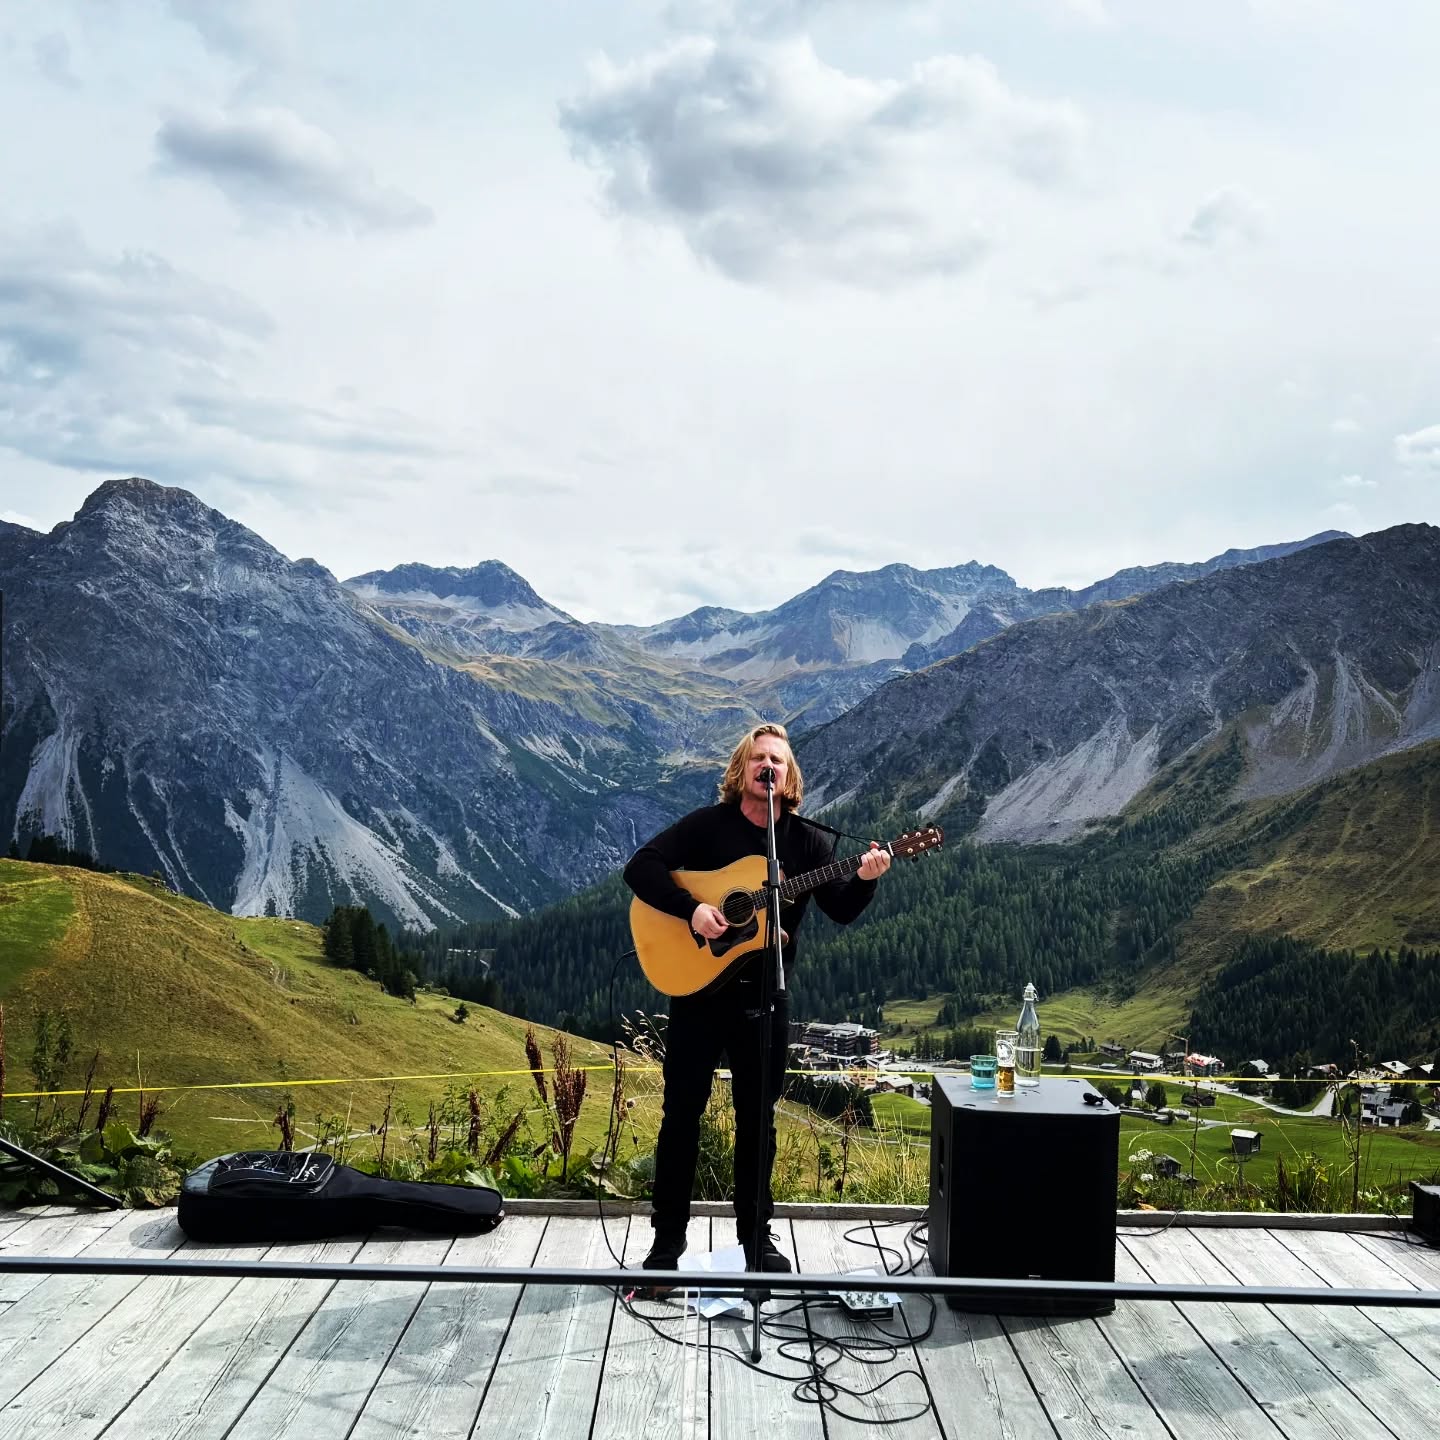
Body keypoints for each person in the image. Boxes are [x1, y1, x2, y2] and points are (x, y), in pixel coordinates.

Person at [622, 721, 891, 1277]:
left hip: (766, 998)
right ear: (741, 771)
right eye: (758, 759)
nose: (768, 767)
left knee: (758, 1123)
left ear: (789, 776)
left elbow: (839, 909)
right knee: (681, 1119)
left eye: (778, 761)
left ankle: (756, 1242)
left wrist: (867, 877)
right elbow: (640, 867)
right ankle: (665, 1245)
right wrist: (693, 910)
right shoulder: (706, 827)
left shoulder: (806, 842)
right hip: (698, 995)